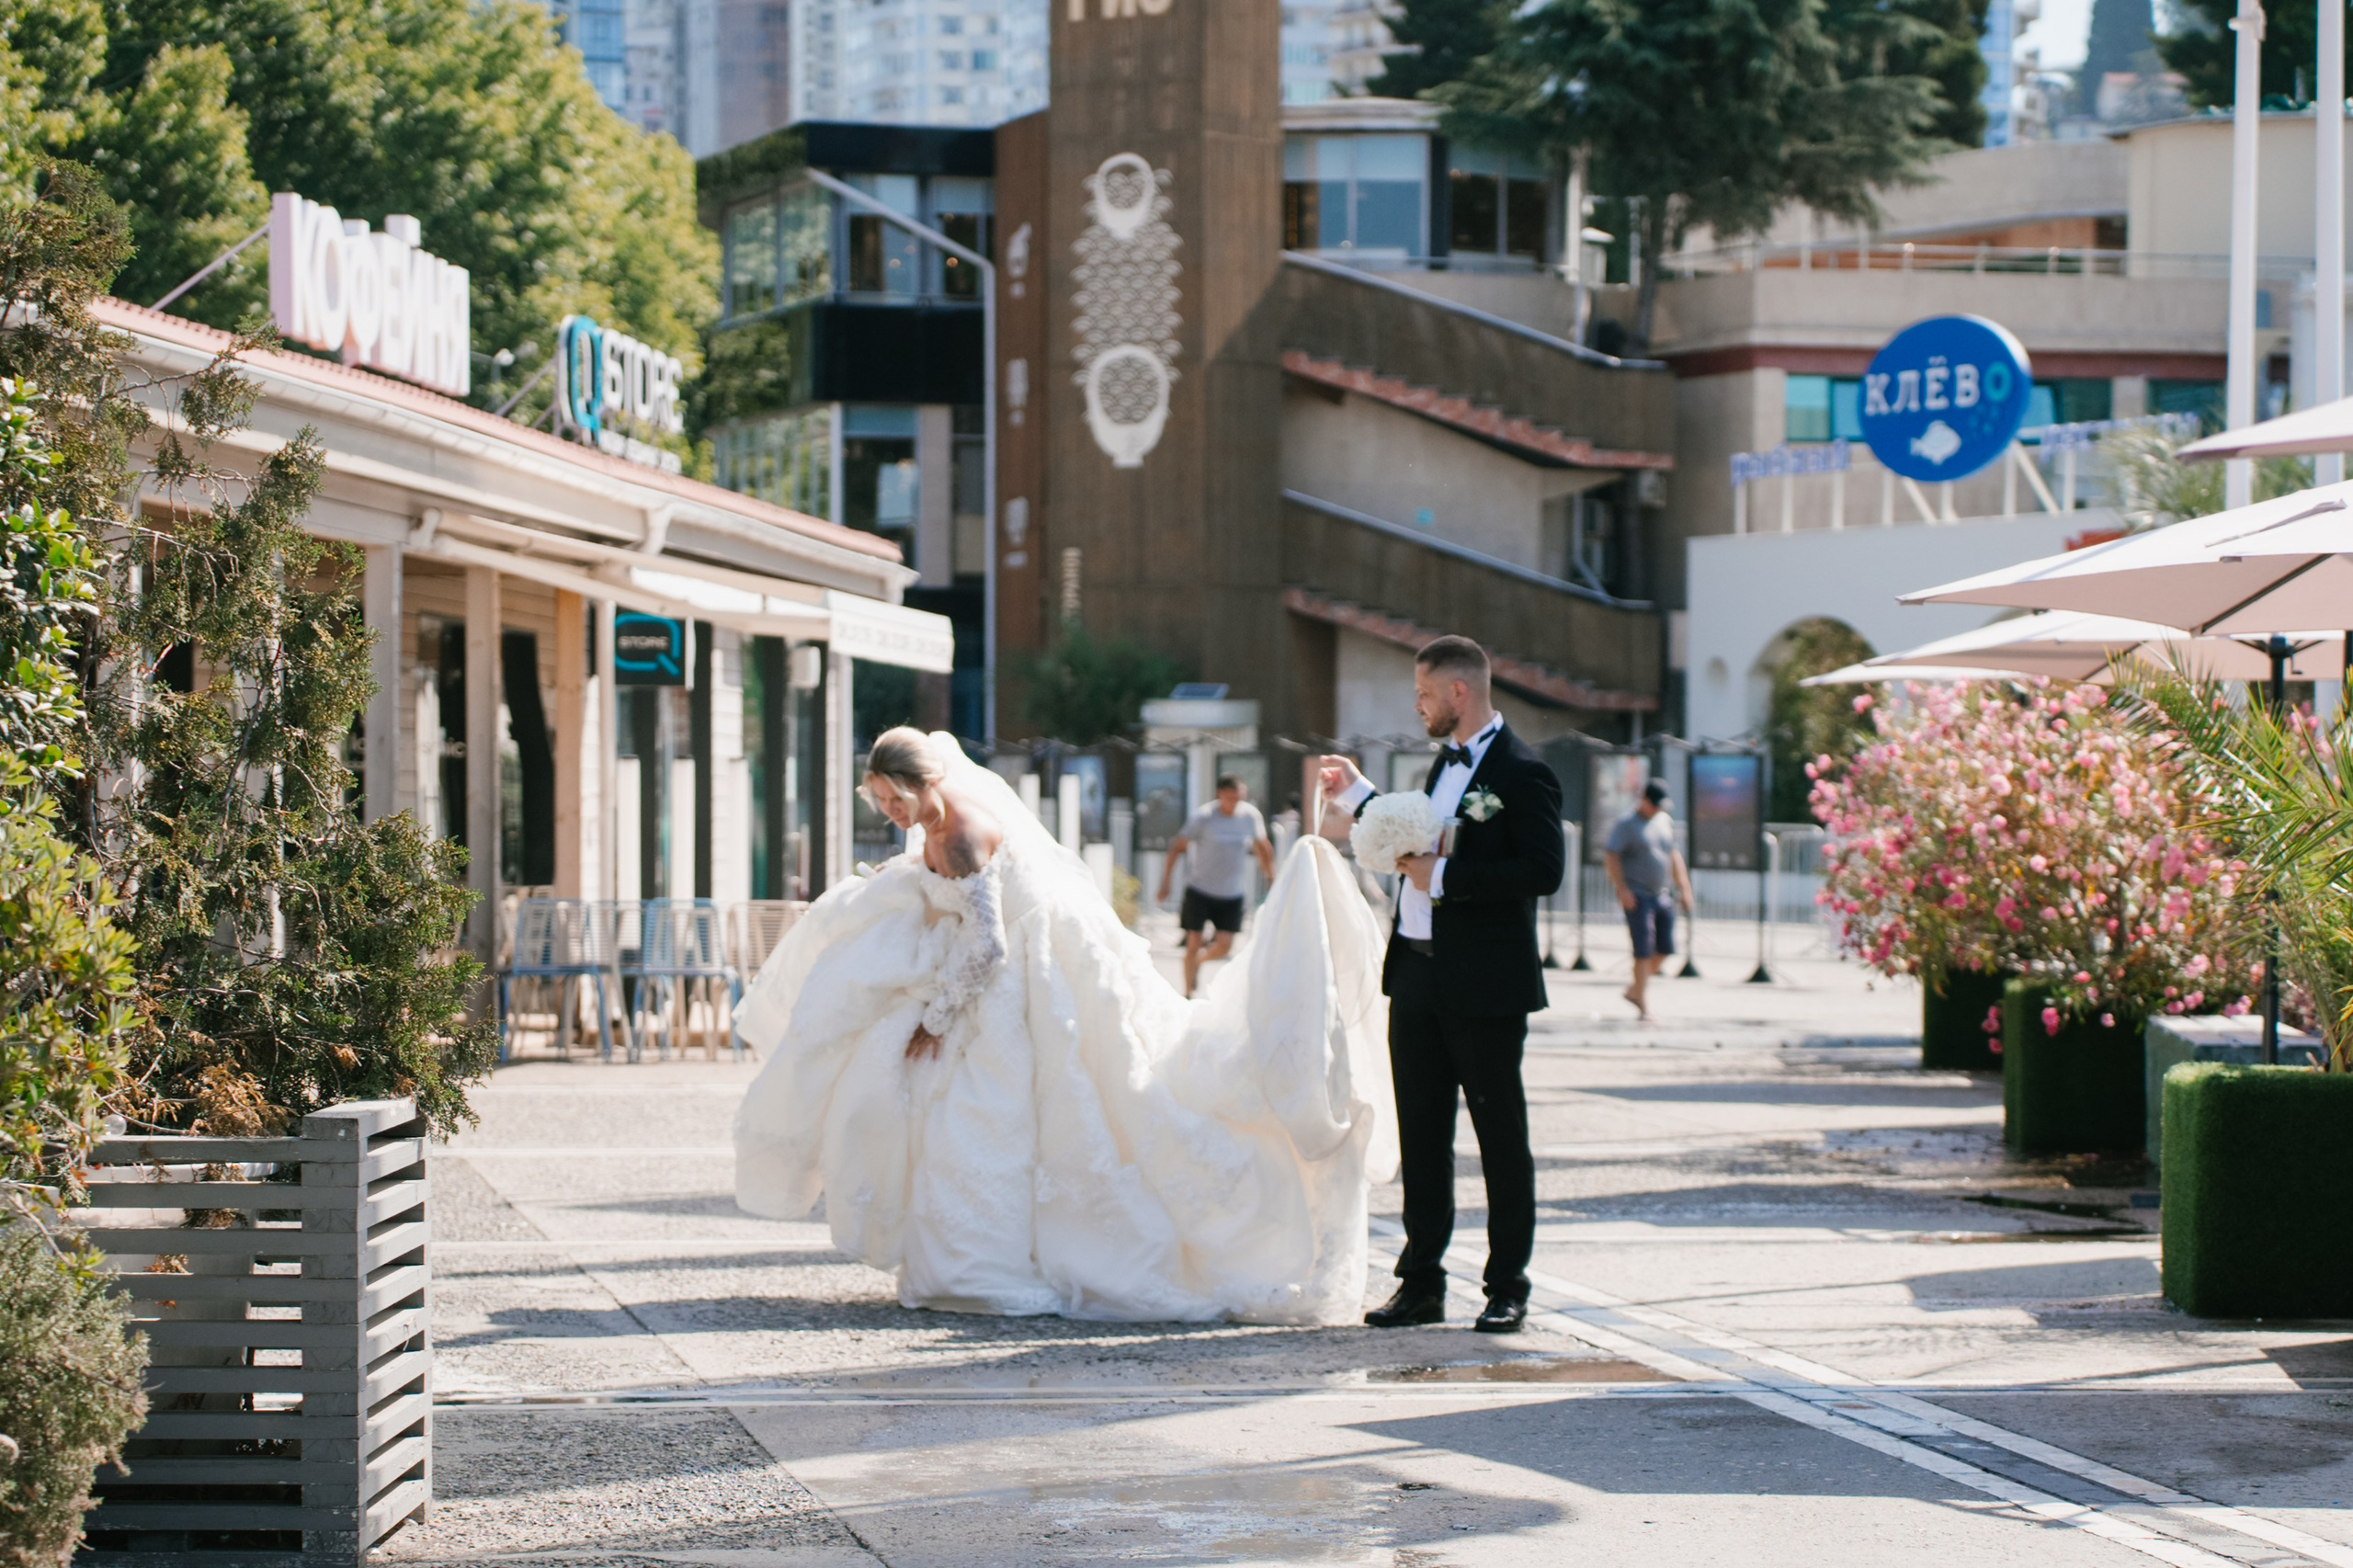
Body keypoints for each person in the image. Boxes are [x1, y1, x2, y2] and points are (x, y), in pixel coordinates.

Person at [730, 727, 1398, 1323]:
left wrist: (935, 1017)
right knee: (983, 1113)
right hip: (1009, 963)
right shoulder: (933, 829)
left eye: (891, 798)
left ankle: (1000, 1259)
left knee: (1042, 1105)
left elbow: (987, 946)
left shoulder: (958, 833)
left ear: (922, 783)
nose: (888, 811)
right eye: (878, 799)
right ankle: (990, 1253)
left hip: (1026, 970)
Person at [1318, 636, 1565, 1335]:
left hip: (1485, 984)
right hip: (1418, 976)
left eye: (1424, 694)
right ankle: (1421, 1283)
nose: (1418, 706)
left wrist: (1447, 879)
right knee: (1423, 1137)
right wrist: (1359, 794)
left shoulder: (1523, 772)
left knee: (1498, 1135)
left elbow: (1543, 871)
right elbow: (1417, 834)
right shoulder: (1442, 766)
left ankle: (1506, 1285)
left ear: (1459, 693)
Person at [1157, 775, 1276, 997]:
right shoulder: (1202, 817)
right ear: (1219, 794)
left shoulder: (1250, 816)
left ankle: (1200, 961)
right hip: (1200, 889)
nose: (1233, 803)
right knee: (1193, 941)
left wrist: (1271, 876)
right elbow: (1176, 848)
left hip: (1232, 892)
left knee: (1224, 945)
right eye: (1229, 798)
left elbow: (1263, 847)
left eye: (1238, 799)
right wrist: (1165, 883)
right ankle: (1187, 994)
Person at [1603, 779, 1696, 1020]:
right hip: (1637, 894)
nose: (1658, 810)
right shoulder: (1626, 825)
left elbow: (1673, 855)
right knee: (1643, 949)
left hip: (1660, 894)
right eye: (1654, 805)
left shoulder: (1664, 821)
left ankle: (1635, 989)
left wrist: (1684, 887)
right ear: (1643, 800)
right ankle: (1643, 1004)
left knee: (1665, 948)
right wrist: (1622, 888)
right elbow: (1611, 856)